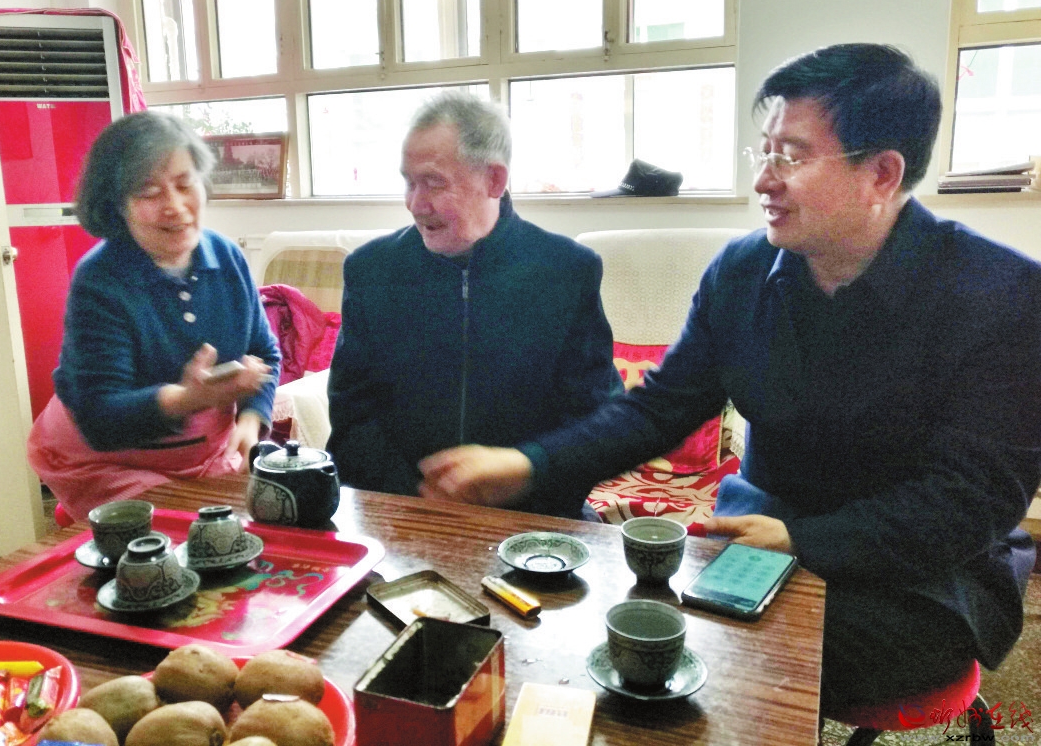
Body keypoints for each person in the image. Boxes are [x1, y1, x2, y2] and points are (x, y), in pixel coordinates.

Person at [419, 44, 1041, 710]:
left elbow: (970, 500)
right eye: (763, 153)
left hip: (918, 577)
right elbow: (658, 409)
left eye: (791, 157)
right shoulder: (742, 273)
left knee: (714, 659)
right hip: (760, 537)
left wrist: (806, 541)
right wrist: (528, 464)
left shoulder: (1002, 296)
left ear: (882, 173)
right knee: (608, 609)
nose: (764, 181)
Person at [326, 91, 623, 519]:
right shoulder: (371, 271)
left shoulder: (567, 271)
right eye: (409, 182)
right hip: (401, 511)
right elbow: (353, 418)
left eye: (434, 182)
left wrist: (524, 484)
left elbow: (593, 418)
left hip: (536, 516)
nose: (415, 204)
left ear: (494, 181)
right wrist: (418, 499)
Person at [27, 111, 281, 522]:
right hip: (104, 459)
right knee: (178, 540)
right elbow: (99, 415)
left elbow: (263, 352)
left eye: (185, 184)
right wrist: (187, 399)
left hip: (198, 452)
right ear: (117, 205)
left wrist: (251, 420)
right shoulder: (101, 279)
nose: (175, 207)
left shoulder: (227, 257)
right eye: (148, 192)